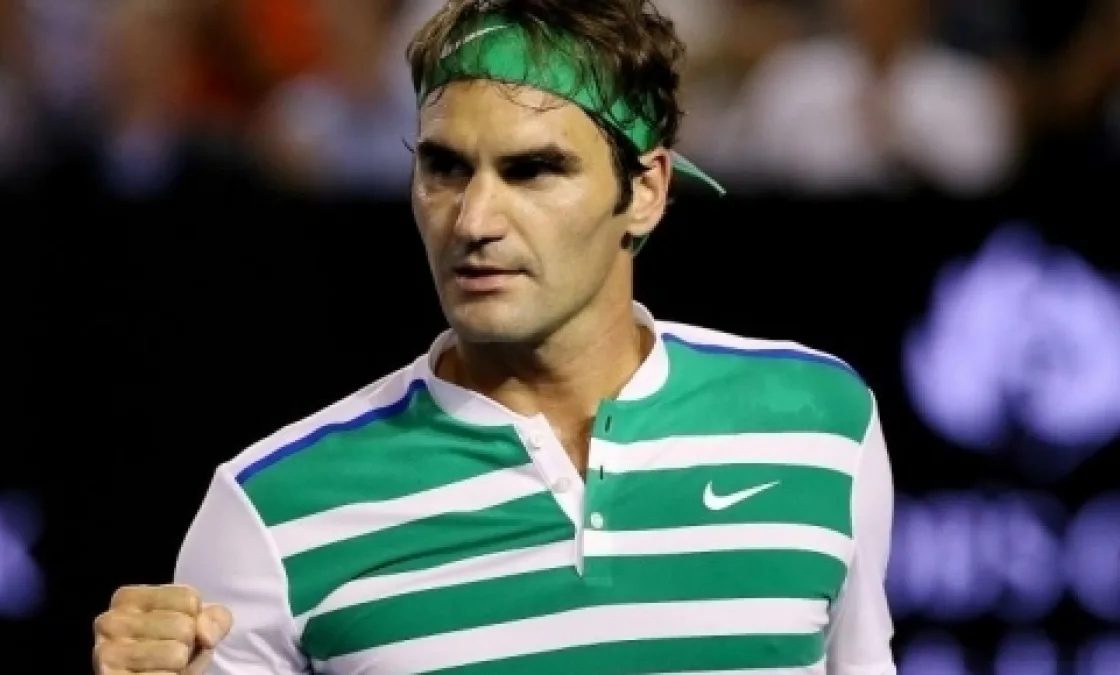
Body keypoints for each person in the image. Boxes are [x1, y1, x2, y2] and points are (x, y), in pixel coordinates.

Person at [91, 0, 897, 673]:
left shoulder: (821, 421)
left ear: (646, 191)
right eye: (444, 168)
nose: (473, 220)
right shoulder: (269, 509)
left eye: (532, 170)